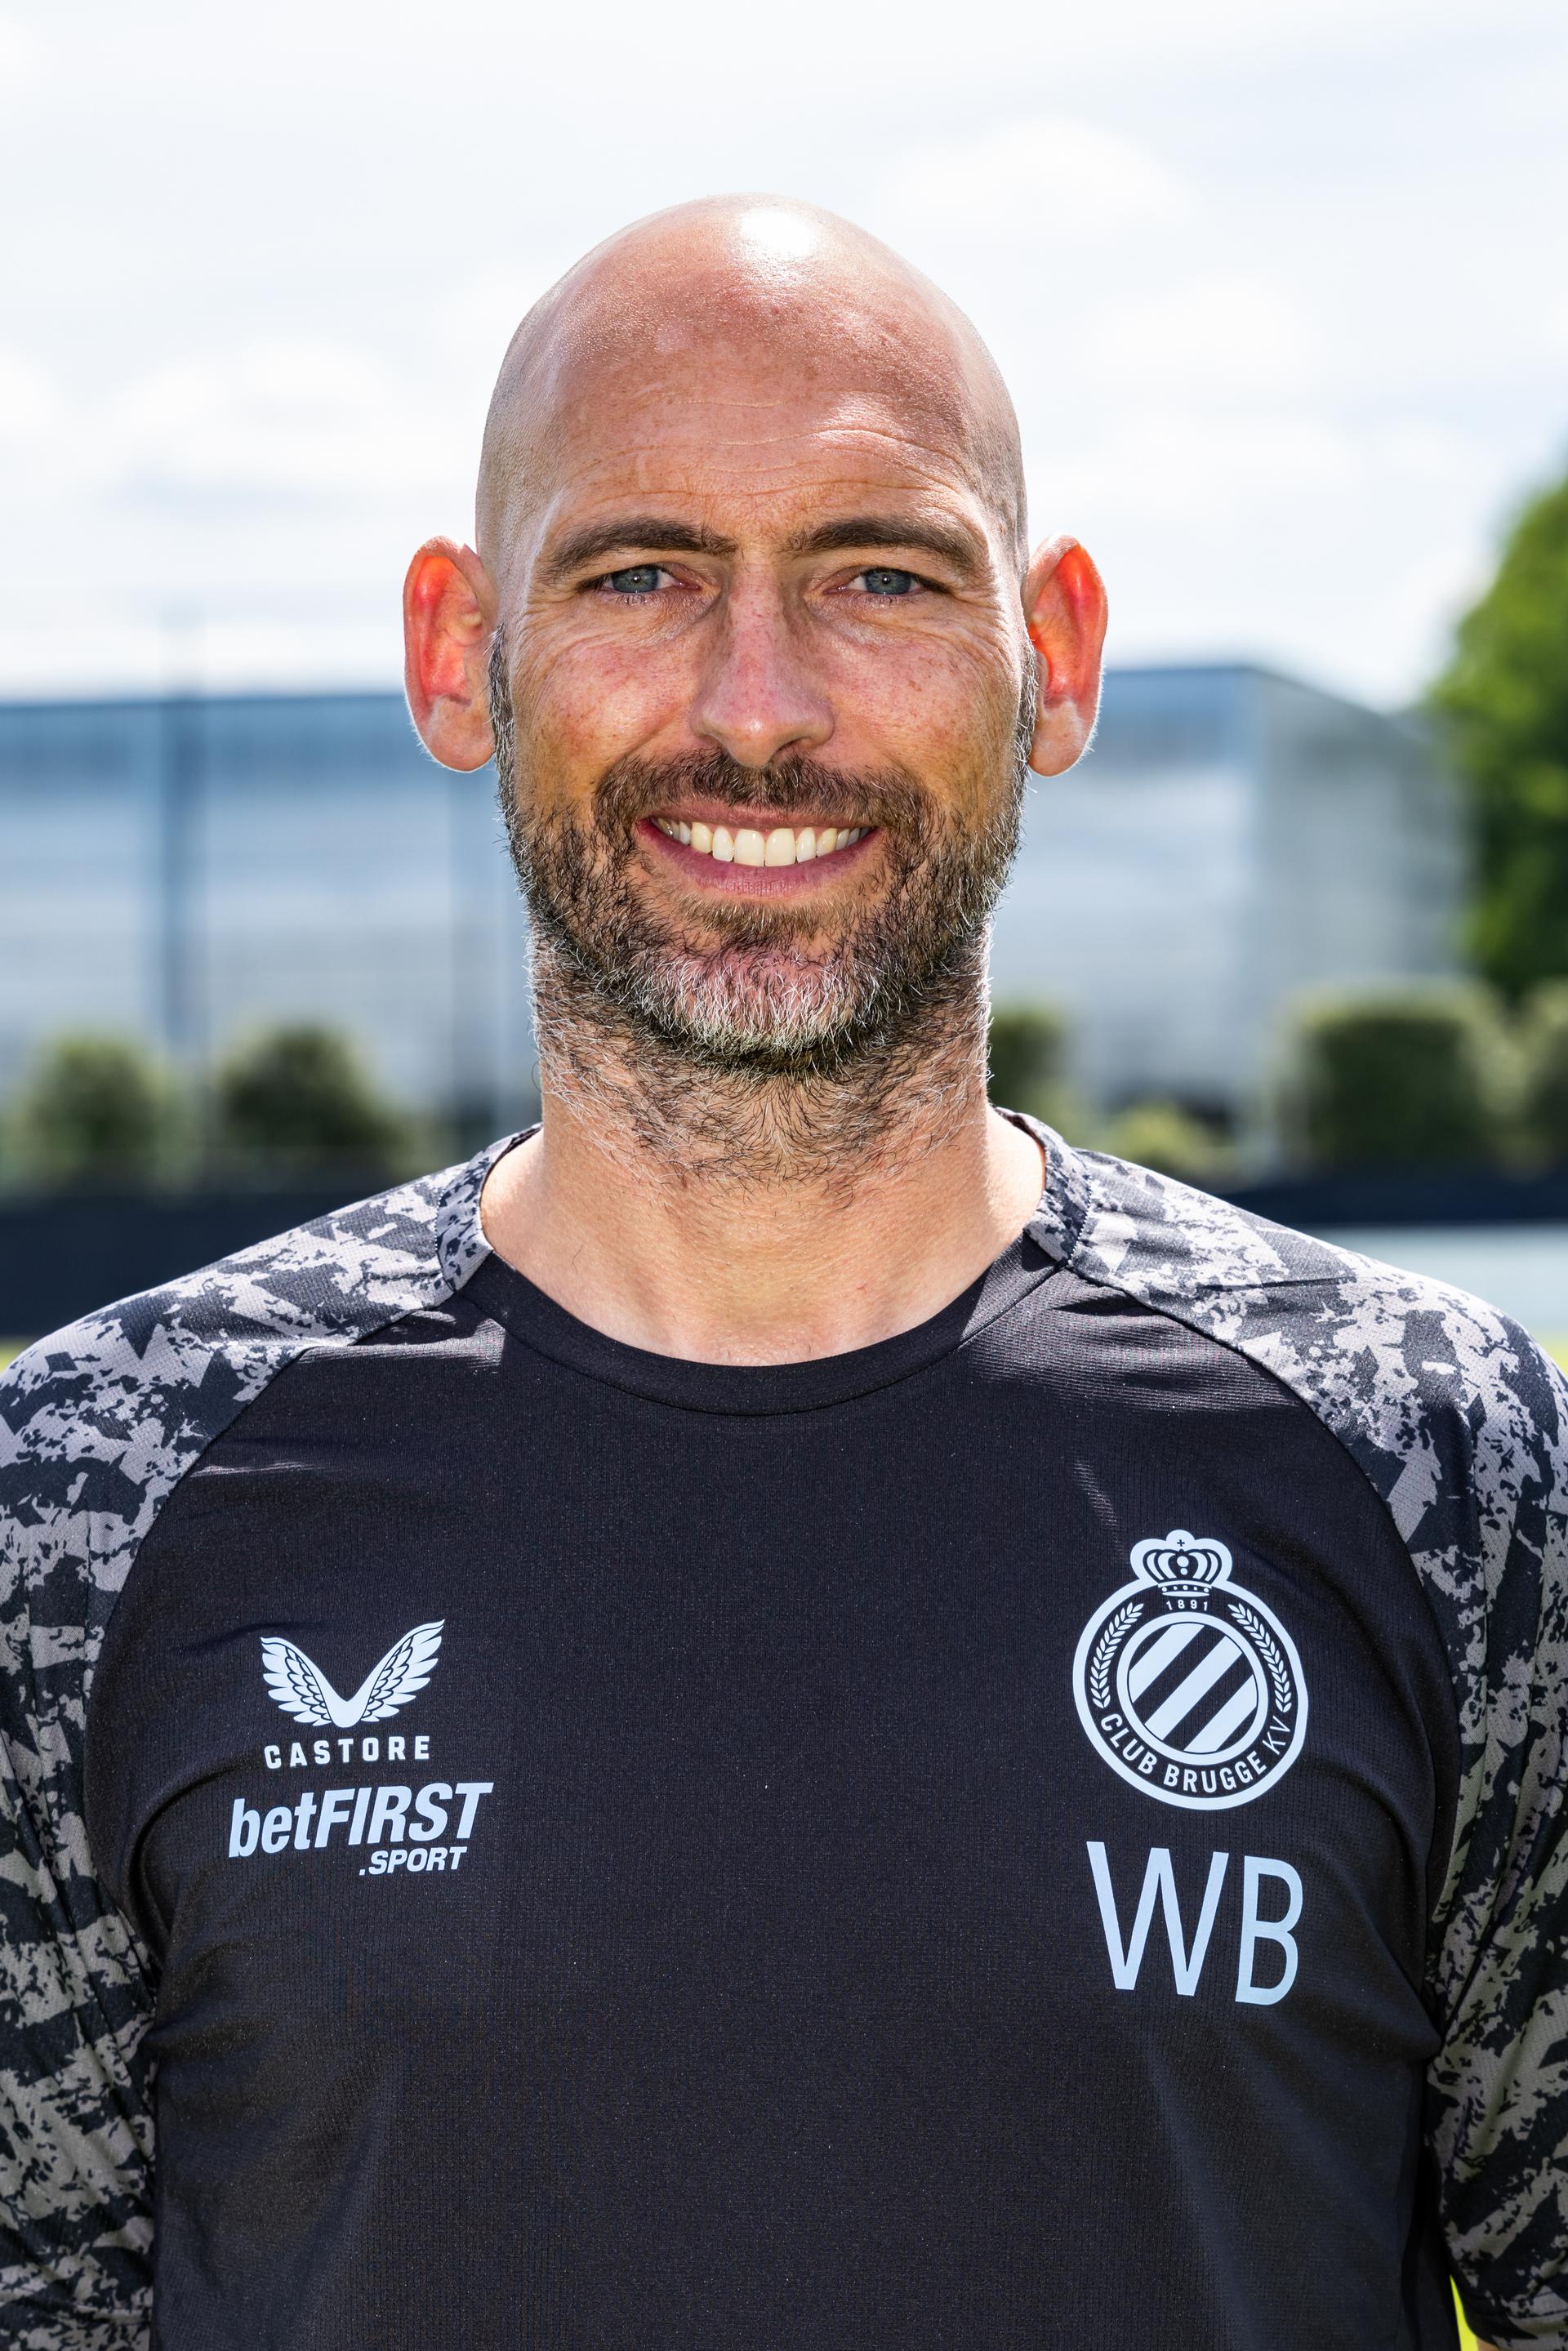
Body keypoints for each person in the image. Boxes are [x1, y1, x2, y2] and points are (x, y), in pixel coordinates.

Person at [0, 195, 1557, 2351]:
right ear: (464, 653)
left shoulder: (1437, 1458)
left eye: (881, 575)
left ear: (1058, 656)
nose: (758, 706)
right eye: (640, 571)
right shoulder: (90, 1492)